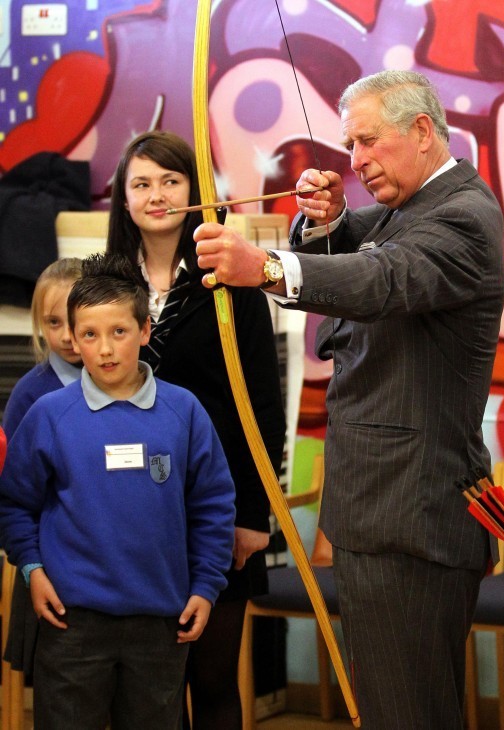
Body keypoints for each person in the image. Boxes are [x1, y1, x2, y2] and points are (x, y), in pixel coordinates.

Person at [192, 70, 504, 729]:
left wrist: (267, 267)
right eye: (351, 144)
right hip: (387, 512)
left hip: (409, 517)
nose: (356, 161)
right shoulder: (412, 207)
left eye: (368, 141)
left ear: (422, 131)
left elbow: (383, 276)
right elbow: (362, 241)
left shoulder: (462, 218)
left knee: (406, 711)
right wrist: (331, 218)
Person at [0, 253, 236, 730]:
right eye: (89, 334)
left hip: (161, 622)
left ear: (145, 331)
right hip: (72, 623)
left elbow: (212, 506)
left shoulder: (184, 412)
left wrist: (206, 587)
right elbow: (15, 504)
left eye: (119, 332)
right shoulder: (48, 414)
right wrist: (32, 568)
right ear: (73, 336)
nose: (105, 349)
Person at [106, 131, 286, 729]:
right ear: (123, 199)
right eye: (141, 184)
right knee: (150, 690)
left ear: (196, 192)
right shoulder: (104, 285)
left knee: (211, 679)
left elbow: (262, 402)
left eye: (171, 181)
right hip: (131, 513)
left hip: (219, 507)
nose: (156, 196)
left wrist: (252, 515)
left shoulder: (231, 280)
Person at [2, 257, 83, 679]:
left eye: (76, 319)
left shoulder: (135, 383)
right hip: (49, 565)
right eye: (53, 323)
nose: (67, 336)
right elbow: (15, 494)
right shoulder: (30, 394)